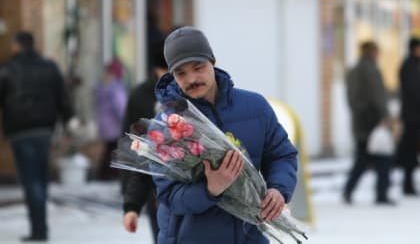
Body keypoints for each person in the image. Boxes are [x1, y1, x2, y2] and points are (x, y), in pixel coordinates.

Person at [151, 26, 298, 243]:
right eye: (181, 73)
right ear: (172, 75)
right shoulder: (167, 125)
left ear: (212, 61)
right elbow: (170, 196)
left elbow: (281, 155)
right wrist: (211, 189)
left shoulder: (255, 107)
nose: (191, 78)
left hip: (250, 236)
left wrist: (278, 189)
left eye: (198, 67)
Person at [0, 31, 73, 241]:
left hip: (19, 131)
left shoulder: (8, 69)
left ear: (16, 46)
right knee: (40, 178)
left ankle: (39, 229)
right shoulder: (49, 67)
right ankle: (41, 226)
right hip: (44, 129)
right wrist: (66, 122)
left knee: (31, 180)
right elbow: (64, 99)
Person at [121, 41, 168, 244]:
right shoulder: (140, 95)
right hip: (154, 186)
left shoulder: (191, 96)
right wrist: (131, 202)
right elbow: (131, 144)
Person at [343, 41, 394, 205]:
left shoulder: (354, 70)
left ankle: (349, 190)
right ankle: (381, 194)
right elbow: (378, 97)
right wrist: (385, 117)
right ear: (372, 52)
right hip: (373, 123)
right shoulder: (370, 70)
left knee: (363, 160)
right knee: (383, 160)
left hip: (361, 123)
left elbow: (352, 99)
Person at [95, 58, 128, 180]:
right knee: (113, 149)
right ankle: (108, 174)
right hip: (114, 123)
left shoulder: (102, 86)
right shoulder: (115, 87)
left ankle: (105, 173)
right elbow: (120, 106)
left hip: (106, 123)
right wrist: (125, 118)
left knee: (110, 148)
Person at [396, 37, 420, 195]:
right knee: (410, 152)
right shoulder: (409, 65)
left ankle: (409, 184)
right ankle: (407, 185)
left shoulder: (413, 65)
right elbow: (413, 90)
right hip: (412, 117)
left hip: (414, 116)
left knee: (411, 152)